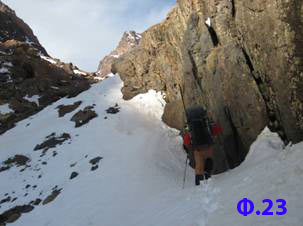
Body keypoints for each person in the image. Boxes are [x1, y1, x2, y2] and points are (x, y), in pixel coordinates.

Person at [182, 106, 223, 186]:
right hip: (207, 144)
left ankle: (198, 184)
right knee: (209, 159)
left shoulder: (191, 127)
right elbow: (217, 129)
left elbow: (187, 141)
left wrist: (187, 146)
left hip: (197, 147)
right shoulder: (206, 124)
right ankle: (207, 176)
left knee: (199, 165)